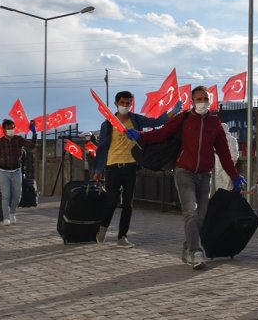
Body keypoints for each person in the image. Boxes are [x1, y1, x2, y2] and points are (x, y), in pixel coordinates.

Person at [126, 86, 245, 269]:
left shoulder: (214, 123)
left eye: (205, 98)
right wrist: (140, 136)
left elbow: (223, 153)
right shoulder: (184, 118)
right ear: (192, 102)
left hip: (205, 175)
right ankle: (197, 252)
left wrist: (235, 176)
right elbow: (162, 133)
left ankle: (187, 249)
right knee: (191, 211)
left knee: (201, 217)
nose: (202, 102)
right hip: (184, 172)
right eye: (198, 99)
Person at [92, 91, 181, 248]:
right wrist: (98, 169)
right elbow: (101, 148)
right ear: (116, 103)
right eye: (122, 103)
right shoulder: (107, 124)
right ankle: (103, 227)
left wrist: (173, 112)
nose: (125, 106)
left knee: (128, 203)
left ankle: (122, 237)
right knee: (111, 201)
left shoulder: (136, 119)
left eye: (128, 103)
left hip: (131, 165)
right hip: (113, 167)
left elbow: (156, 122)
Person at [0, 119, 37, 226]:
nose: (11, 130)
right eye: (8, 128)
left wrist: (34, 133)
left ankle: (12, 213)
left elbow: (31, 145)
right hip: (3, 171)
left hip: (16, 171)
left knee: (18, 195)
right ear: (4, 129)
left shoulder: (18, 139)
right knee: (6, 195)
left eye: (12, 128)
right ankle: (6, 218)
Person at [213, 122, 240, 192]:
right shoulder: (218, 140)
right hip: (219, 166)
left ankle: (224, 201)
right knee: (221, 186)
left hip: (225, 166)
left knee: (226, 186)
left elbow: (234, 155)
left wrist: (232, 164)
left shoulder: (232, 140)